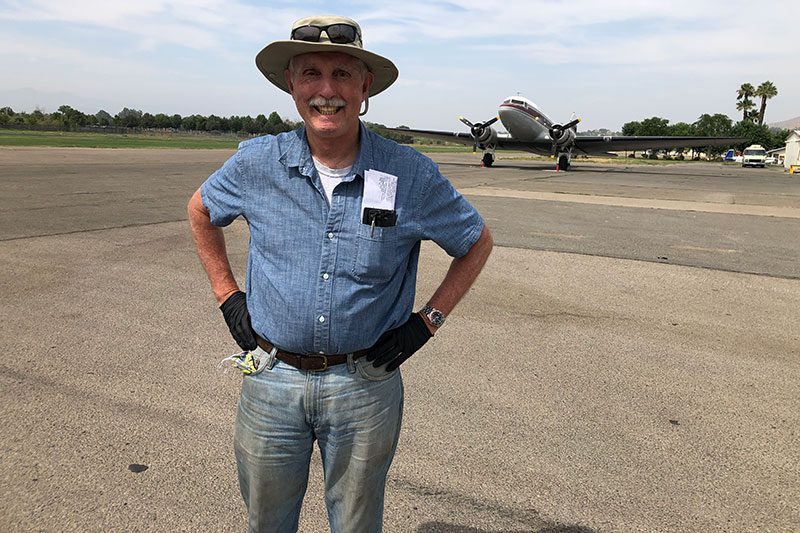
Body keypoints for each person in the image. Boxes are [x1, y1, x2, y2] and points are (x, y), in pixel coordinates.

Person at [187, 14, 493, 532]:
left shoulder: (409, 172)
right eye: (310, 73)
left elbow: (475, 241)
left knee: (355, 523)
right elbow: (199, 210)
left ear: (365, 86)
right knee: (267, 521)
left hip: (365, 385)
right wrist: (226, 294)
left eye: (342, 75)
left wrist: (428, 321)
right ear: (291, 84)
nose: (326, 91)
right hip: (271, 377)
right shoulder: (255, 163)